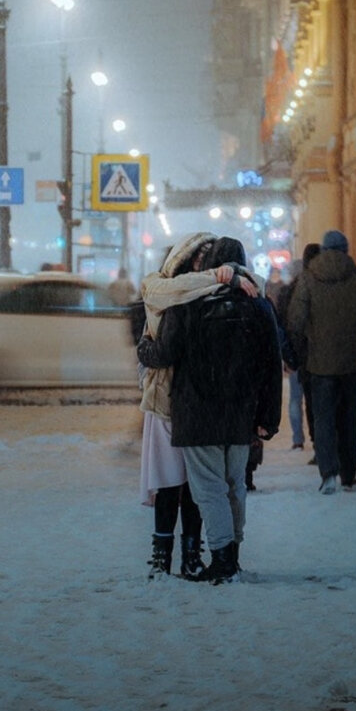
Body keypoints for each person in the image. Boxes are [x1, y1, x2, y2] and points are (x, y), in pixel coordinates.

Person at [138, 237, 281, 584]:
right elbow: (271, 365)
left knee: (208, 489)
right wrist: (268, 419)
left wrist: (145, 350)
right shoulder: (259, 305)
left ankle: (221, 558)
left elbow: (166, 352)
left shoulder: (190, 304)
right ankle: (232, 553)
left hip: (197, 412)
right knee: (235, 486)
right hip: (239, 415)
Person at [287, 229, 356, 494]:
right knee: (350, 419)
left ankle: (328, 473)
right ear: (346, 249)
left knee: (324, 418)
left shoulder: (307, 279)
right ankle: (349, 475)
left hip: (319, 363)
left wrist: (307, 340)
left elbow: (295, 320)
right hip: (351, 360)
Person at [275, 244, 320, 455]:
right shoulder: (318, 287)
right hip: (316, 352)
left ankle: (298, 439)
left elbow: (282, 325)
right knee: (315, 399)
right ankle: (317, 438)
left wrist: (287, 355)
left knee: (295, 398)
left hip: (295, 352)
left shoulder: (288, 291)